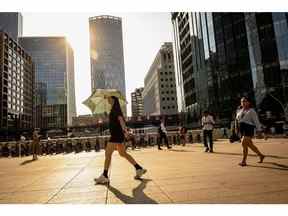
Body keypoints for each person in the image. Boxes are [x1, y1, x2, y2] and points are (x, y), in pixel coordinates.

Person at [94, 96, 147, 184]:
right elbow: (115, 121)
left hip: (116, 135)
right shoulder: (114, 109)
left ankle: (105, 175)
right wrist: (108, 115)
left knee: (108, 153)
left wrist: (125, 132)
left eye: (109, 99)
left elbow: (121, 120)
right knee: (122, 153)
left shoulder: (116, 109)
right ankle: (138, 168)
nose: (108, 100)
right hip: (118, 135)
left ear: (114, 100)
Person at [236, 97, 265, 166]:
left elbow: (256, 121)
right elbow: (237, 120)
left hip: (249, 128)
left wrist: (259, 131)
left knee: (243, 143)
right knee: (249, 145)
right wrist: (236, 129)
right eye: (242, 101)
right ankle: (261, 155)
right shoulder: (239, 111)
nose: (243, 103)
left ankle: (244, 161)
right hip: (242, 129)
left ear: (248, 102)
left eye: (245, 101)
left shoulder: (252, 111)